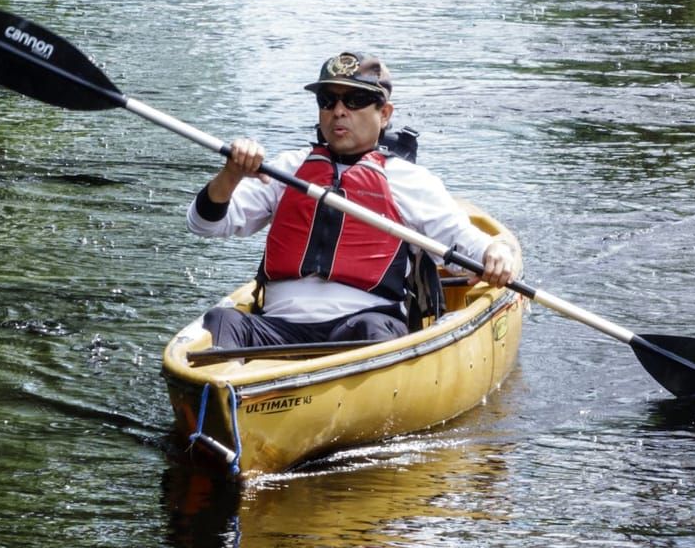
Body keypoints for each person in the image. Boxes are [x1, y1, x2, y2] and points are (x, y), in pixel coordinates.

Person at [186, 50, 522, 351]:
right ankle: (224, 400)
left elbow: (461, 244)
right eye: (328, 101)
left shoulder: (407, 180)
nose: (339, 112)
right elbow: (204, 225)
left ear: (385, 113)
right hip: (276, 329)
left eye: (355, 101)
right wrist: (231, 174)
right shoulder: (288, 169)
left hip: (361, 327)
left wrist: (495, 253)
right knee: (221, 321)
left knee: (375, 330)